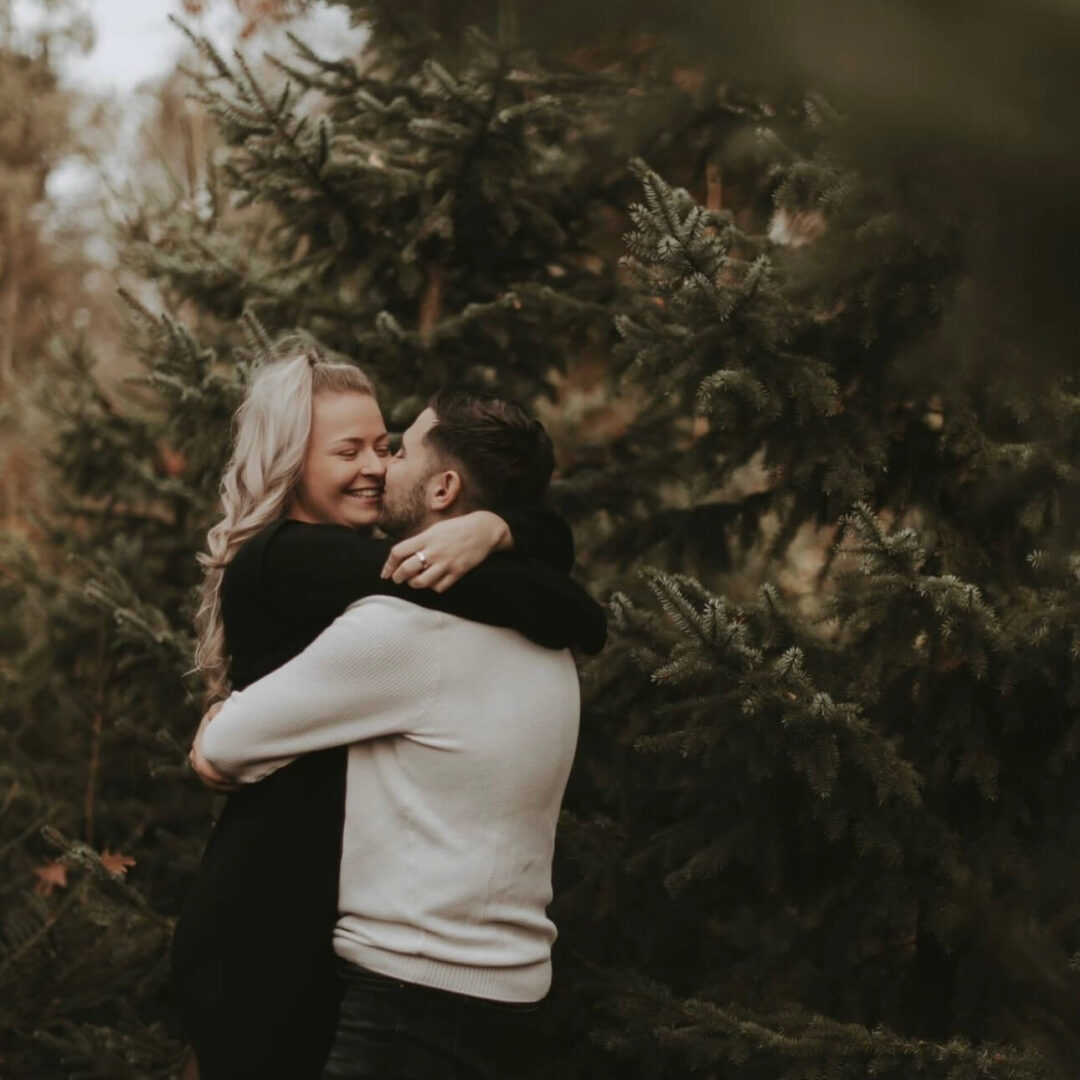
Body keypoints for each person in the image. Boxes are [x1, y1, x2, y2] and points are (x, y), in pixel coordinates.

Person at [172, 340, 606, 1080]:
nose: (374, 465)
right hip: (273, 920)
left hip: (344, 934)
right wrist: (500, 530)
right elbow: (554, 604)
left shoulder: (386, 586)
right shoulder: (290, 558)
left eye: (385, 445)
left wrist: (499, 529)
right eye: (349, 450)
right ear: (290, 461)